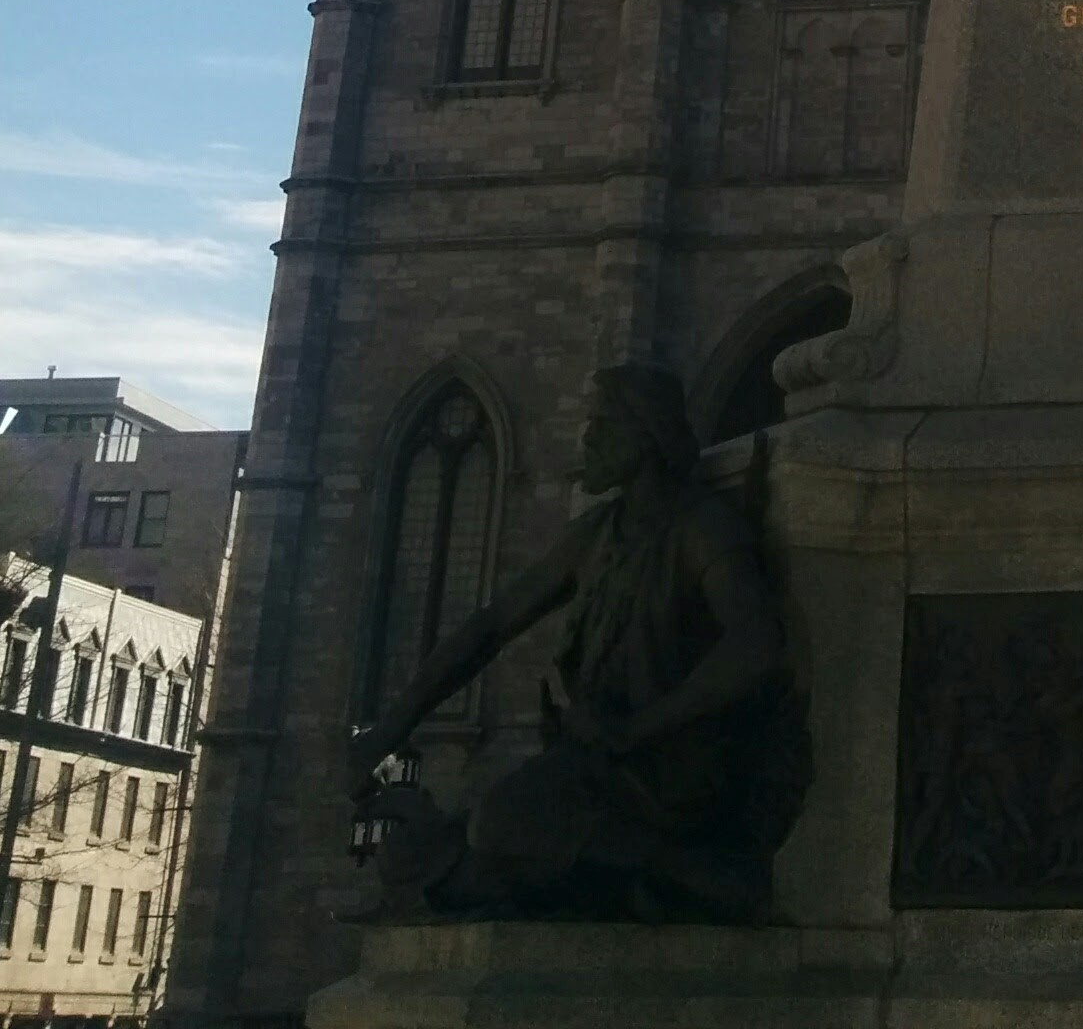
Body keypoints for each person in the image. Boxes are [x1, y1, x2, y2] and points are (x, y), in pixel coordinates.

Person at [345, 365, 806, 920]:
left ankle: (678, 868)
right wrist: (392, 728)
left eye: (603, 424)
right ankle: (638, 881)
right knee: (426, 854)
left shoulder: (702, 529)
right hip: (598, 760)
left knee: (496, 826)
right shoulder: (596, 536)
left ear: (646, 435)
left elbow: (755, 642)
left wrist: (638, 729)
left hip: (667, 761)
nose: (587, 439)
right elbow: (491, 626)